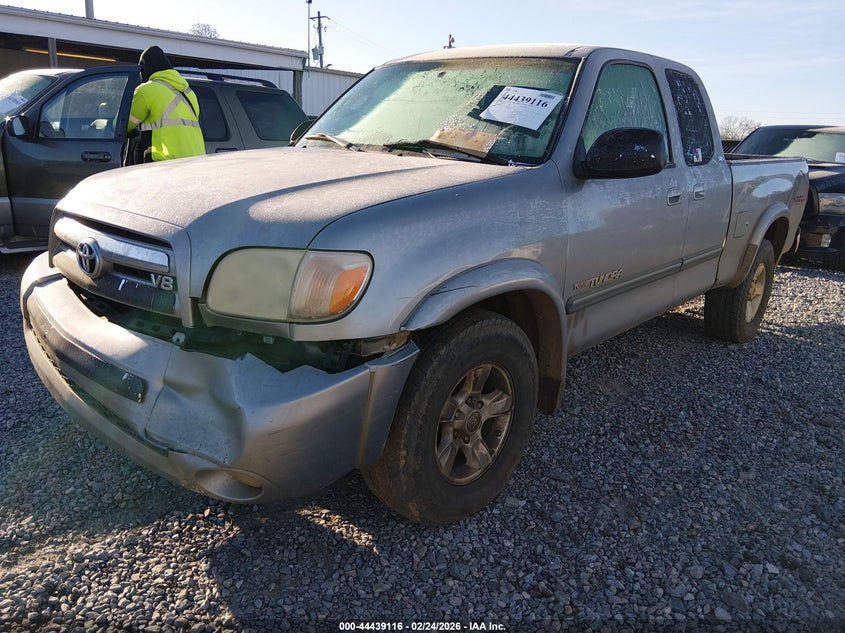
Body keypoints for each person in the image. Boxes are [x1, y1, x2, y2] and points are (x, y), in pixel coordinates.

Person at [125, 45, 205, 165]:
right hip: (196, 160)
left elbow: (125, 124)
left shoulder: (146, 90)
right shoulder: (189, 92)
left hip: (166, 164)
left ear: (145, 67)